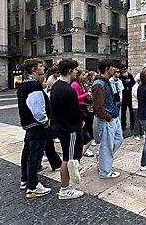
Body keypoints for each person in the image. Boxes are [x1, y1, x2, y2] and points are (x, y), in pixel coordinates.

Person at [50, 59, 86, 200]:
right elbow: (75, 110)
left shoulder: (56, 86)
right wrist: (82, 118)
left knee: (68, 157)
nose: (77, 72)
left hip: (60, 126)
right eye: (75, 70)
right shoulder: (68, 90)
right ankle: (64, 189)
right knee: (68, 159)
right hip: (68, 128)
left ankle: (66, 187)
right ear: (70, 71)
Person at [17, 58, 51, 198]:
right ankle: (33, 186)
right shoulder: (33, 86)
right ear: (33, 69)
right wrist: (45, 121)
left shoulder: (24, 85)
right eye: (41, 66)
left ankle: (25, 179)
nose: (43, 69)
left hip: (29, 125)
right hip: (37, 125)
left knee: (27, 152)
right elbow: (37, 109)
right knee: (34, 155)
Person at [92, 59, 123, 179]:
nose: (115, 69)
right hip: (107, 119)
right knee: (107, 145)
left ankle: (103, 159)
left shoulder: (104, 82)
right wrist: (108, 117)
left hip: (112, 117)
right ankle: (105, 171)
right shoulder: (99, 84)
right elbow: (97, 108)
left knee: (118, 140)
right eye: (113, 67)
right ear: (107, 68)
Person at [71, 69, 93, 157]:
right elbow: (76, 97)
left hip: (84, 106)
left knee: (86, 126)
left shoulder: (82, 84)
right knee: (82, 128)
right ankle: (82, 147)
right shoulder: (75, 85)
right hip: (80, 106)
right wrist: (87, 94)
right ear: (78, 75)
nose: (85, 77)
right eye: (83, 75)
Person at [132, 73, 144, 140]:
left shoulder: (140, 87)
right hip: (136, 105)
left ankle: (142, 133)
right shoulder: (134, 87)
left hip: (141, 105)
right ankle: (136, 134)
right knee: (137, 120)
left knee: (141, 120)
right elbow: (137, 96)